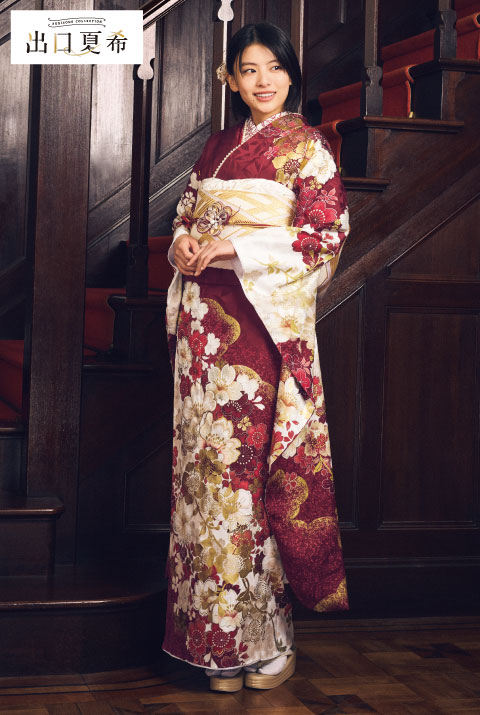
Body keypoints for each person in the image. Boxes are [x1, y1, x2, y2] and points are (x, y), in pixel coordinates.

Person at [162, 22, 350, 692]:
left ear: (291, 74)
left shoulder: (309, 148)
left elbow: (325, 236)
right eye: (249, 69)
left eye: (274, 67)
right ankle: (215, 645)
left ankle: (268, 640)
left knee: (247, 479)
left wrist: (235, 246)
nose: (263, 80)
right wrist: (183, 246)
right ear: (233, 80)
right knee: (202, 484)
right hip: (203, 332)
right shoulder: (216, 146)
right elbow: (187, 216)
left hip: (258, 326)